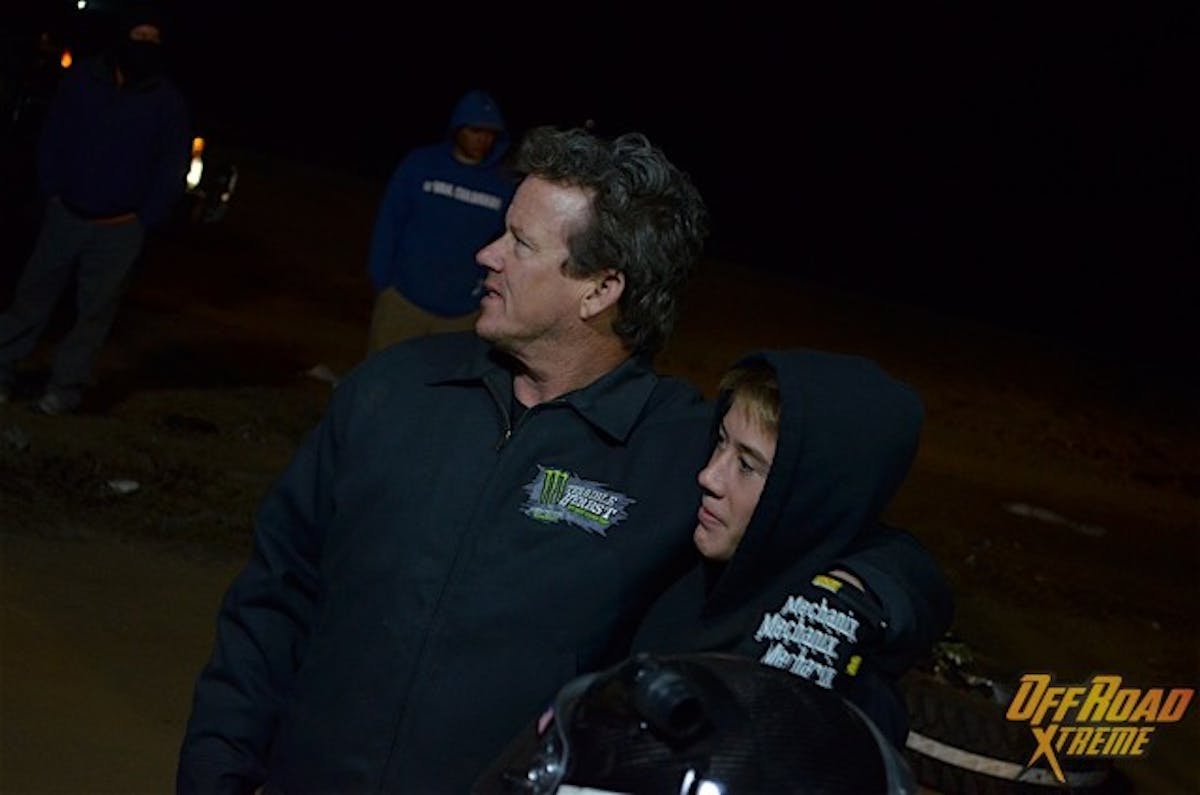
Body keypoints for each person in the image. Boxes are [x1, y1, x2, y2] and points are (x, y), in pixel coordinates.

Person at [176, 126, 947, 794]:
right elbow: (275, 595)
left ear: (601, 288)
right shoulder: (396, 388)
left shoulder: (679, 450)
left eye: (520, 243)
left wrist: (868, 594)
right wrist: (218, 768)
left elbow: (845, 522)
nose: (487, 253)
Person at [631, 349, 954, 748]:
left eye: (747, 465)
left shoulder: (839, 685)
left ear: (808, 496)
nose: (709, 475)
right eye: (720, 442)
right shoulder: (683, 560)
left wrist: (860, 595)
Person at [0, 4, 190, 414]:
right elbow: (54, 135)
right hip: (65, 215)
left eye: (153, 41)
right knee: (30, 300)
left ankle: (64, 390)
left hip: (119, 229)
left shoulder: (166, 102)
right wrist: (52, 190)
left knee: (93, 317)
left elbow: (171, 167)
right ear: (123, 38)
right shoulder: (84, 79)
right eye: (139, 38)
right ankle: (2, 370)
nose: (144, 48)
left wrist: (144, 218)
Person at [364, 88, 517, 354]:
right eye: (475, 131)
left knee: (440, 390)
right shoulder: (421, 165)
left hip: (461, 313)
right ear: (458, 129)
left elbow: (507, 244)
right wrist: (382, 281)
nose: (483, 140)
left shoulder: (502, 184)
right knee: (382, 379)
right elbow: (389, 223)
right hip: (404, 300)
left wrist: (485, 295)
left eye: (490, 134)